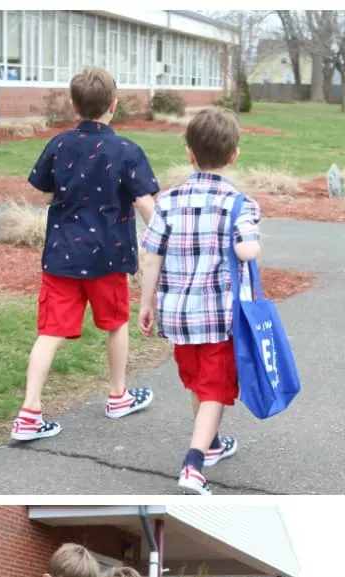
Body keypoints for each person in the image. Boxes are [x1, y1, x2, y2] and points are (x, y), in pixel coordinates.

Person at [11, 67, 159, 443]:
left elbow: (43, 189)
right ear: (114, 104)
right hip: (108, 259)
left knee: (49, 332)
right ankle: (118, 395)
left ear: (74, 104)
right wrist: (165, 240)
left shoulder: (59, 144)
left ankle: (29, 412)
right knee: (115, 325)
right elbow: (145, 203)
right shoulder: (126, 151)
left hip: (62, 256)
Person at [138, 106, 261, 495]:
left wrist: (147, 303)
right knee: (214, 389)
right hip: (219, 316)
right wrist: (249, 246)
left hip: (178, 317)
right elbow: (248, 249)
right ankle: (193, 463)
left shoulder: (168, 204)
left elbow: (151, 256)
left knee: (198, 382)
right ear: (234, 154)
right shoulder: (239, 205)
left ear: (189, 153)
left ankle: (211, 444)